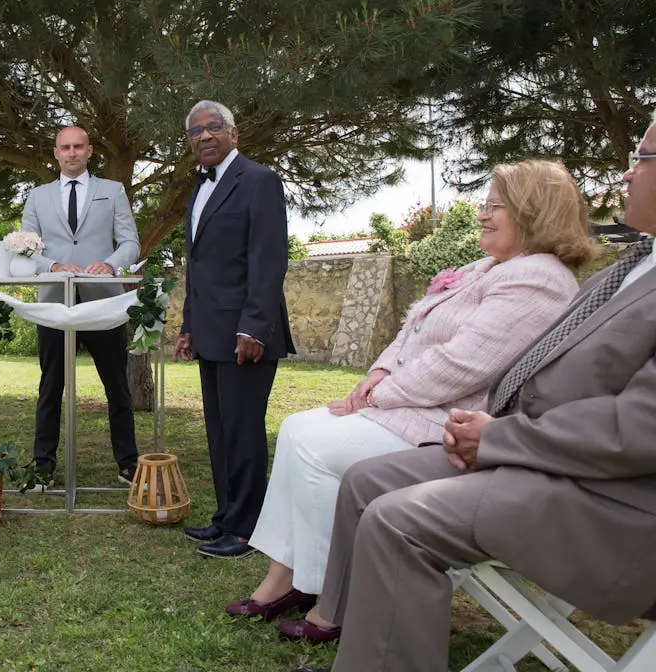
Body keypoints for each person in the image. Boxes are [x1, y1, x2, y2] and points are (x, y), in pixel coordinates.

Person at [290, 117, 656, 672]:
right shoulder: (638, 265)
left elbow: (638, 430)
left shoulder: (545, 276)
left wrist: (502, 438)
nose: (626, 174)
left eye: (644, 157)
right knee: (368, 480)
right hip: (554, 463)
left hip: (613, 504)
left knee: (395, 520)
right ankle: (341, 620)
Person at [228, 160, 596, 627]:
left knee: (313, 447)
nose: (482, 214)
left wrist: (379, 396)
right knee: (298, 428)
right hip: (417, 406)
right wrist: (379, 370)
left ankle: (328, 595)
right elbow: (414, 326)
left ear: (534, 212)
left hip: (448, 422)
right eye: (484, 204)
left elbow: (463, 364)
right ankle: (288, 577)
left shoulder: (538, 279)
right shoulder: (490, 267)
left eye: (495, 206)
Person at [173, 100, 296, 559]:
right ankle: (227, 516)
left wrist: (254, 329)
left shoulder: (260, 181)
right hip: (210, 331)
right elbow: (199, 268)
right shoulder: (198, 189)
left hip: (247, 334)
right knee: (220, 432)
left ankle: (248, 529)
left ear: (233, 133)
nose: (204, 136)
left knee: (244, 433)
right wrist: (188, 326)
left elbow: (269, 261)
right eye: (195, 131)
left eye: (213, 127)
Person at [20, 125, 141, 486]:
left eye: (78, 146)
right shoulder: (38, 196)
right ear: (55, 153)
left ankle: (129, 463)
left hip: (104, 302)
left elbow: (130, 242)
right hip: (55, 302)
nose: (71, 153)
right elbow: (26, 248)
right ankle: (43, 465)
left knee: (117, 386)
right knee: (50, 386)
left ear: (90, 151)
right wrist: (54, 267)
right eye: (64, 147)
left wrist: (111, 263)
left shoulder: (112, 190)